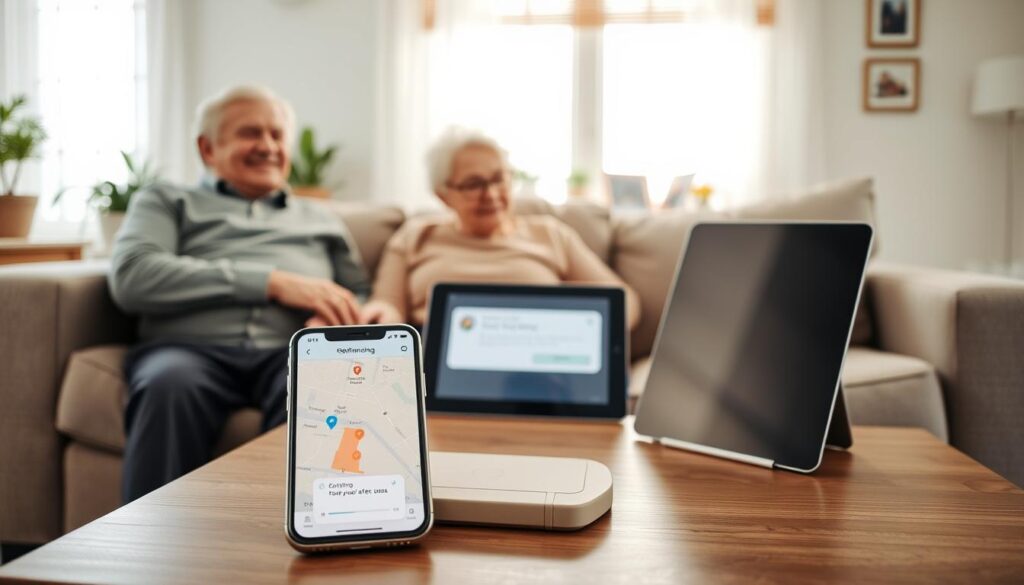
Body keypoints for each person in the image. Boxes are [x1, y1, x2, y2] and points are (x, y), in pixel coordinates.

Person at [109, 85, 369, 502]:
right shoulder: (167, 200)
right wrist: (273, 282)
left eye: (277, 135)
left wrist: (339, 316)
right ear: (208, 148)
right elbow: (133, 275)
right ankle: (151, 536)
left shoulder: (322, 219)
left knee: (319, 386)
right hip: (188, 350)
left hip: (292, 351)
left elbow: (358, 291)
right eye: (250, 133)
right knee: (168, 384)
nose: (267, 146)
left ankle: (308, 527)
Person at [360, 127, 639, 329]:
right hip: (435, 360)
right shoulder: (415, 235)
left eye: (498, 179)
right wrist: (380, 315)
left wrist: (569, 327)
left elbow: (625, 304)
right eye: (474, 184)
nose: (491, 194)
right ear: (443, 195)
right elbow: (387, 303)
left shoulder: (551, 234)